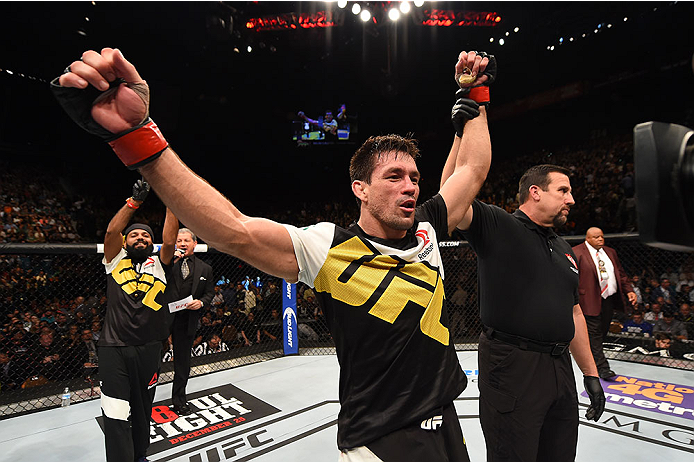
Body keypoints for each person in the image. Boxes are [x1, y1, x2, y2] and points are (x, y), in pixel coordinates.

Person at [54, 47, 493, 461]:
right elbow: (233, 230)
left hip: (447, 419)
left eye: (414, 177)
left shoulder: (427, 226)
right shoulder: (328, 247)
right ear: (360, 189)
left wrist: (476, 94)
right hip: (379, 438)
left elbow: (472, 169)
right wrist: (140, 135)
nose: (410, 186)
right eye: (394, 176)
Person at [446, 162, 606, 460]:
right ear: (535, 192)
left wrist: (591, 374)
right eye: (563, 191)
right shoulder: (500, 226)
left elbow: (574, 314)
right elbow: (451, 199)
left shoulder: (564, 249)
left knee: (559, 453)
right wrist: (461, 135)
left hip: (560, 368)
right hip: (512, 364)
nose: (571, 200)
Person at [96, 179, 177, 462]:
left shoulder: (161, 263)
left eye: (145, 236)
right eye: (134, 236)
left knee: (143, 408)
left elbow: (169, 240)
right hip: (114, 347)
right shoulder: (114, 260)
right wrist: (134, 202)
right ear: (126, 242)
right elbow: (111, 231)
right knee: (116, 410)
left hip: (149, 347)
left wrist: (171, 202)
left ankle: (140, 454)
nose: (140, 238)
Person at [572, 227, 637, 379]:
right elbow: (571, 276)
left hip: (608, 298)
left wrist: (629, 290)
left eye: (602, 236)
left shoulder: (610, 252)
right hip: (587, 300)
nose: (600, 239)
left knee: (601, 332)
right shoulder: (577, 252)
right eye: (596, 237)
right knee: (594, 334)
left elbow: (620, 273)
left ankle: (591, 357)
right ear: (587, 239)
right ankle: (602, 368)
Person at [168, 227, 215, 416]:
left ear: (194, 244)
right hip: (162, 317)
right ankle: (142, 401)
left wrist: (201, 302)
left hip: (186, 319)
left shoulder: (205, 268)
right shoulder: (164, 263)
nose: (182, 244)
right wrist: (171, 261)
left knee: (182, 362)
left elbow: (210, 292)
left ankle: (179, 401)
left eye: (186, 241)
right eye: (179, 241)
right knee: (149, 361)